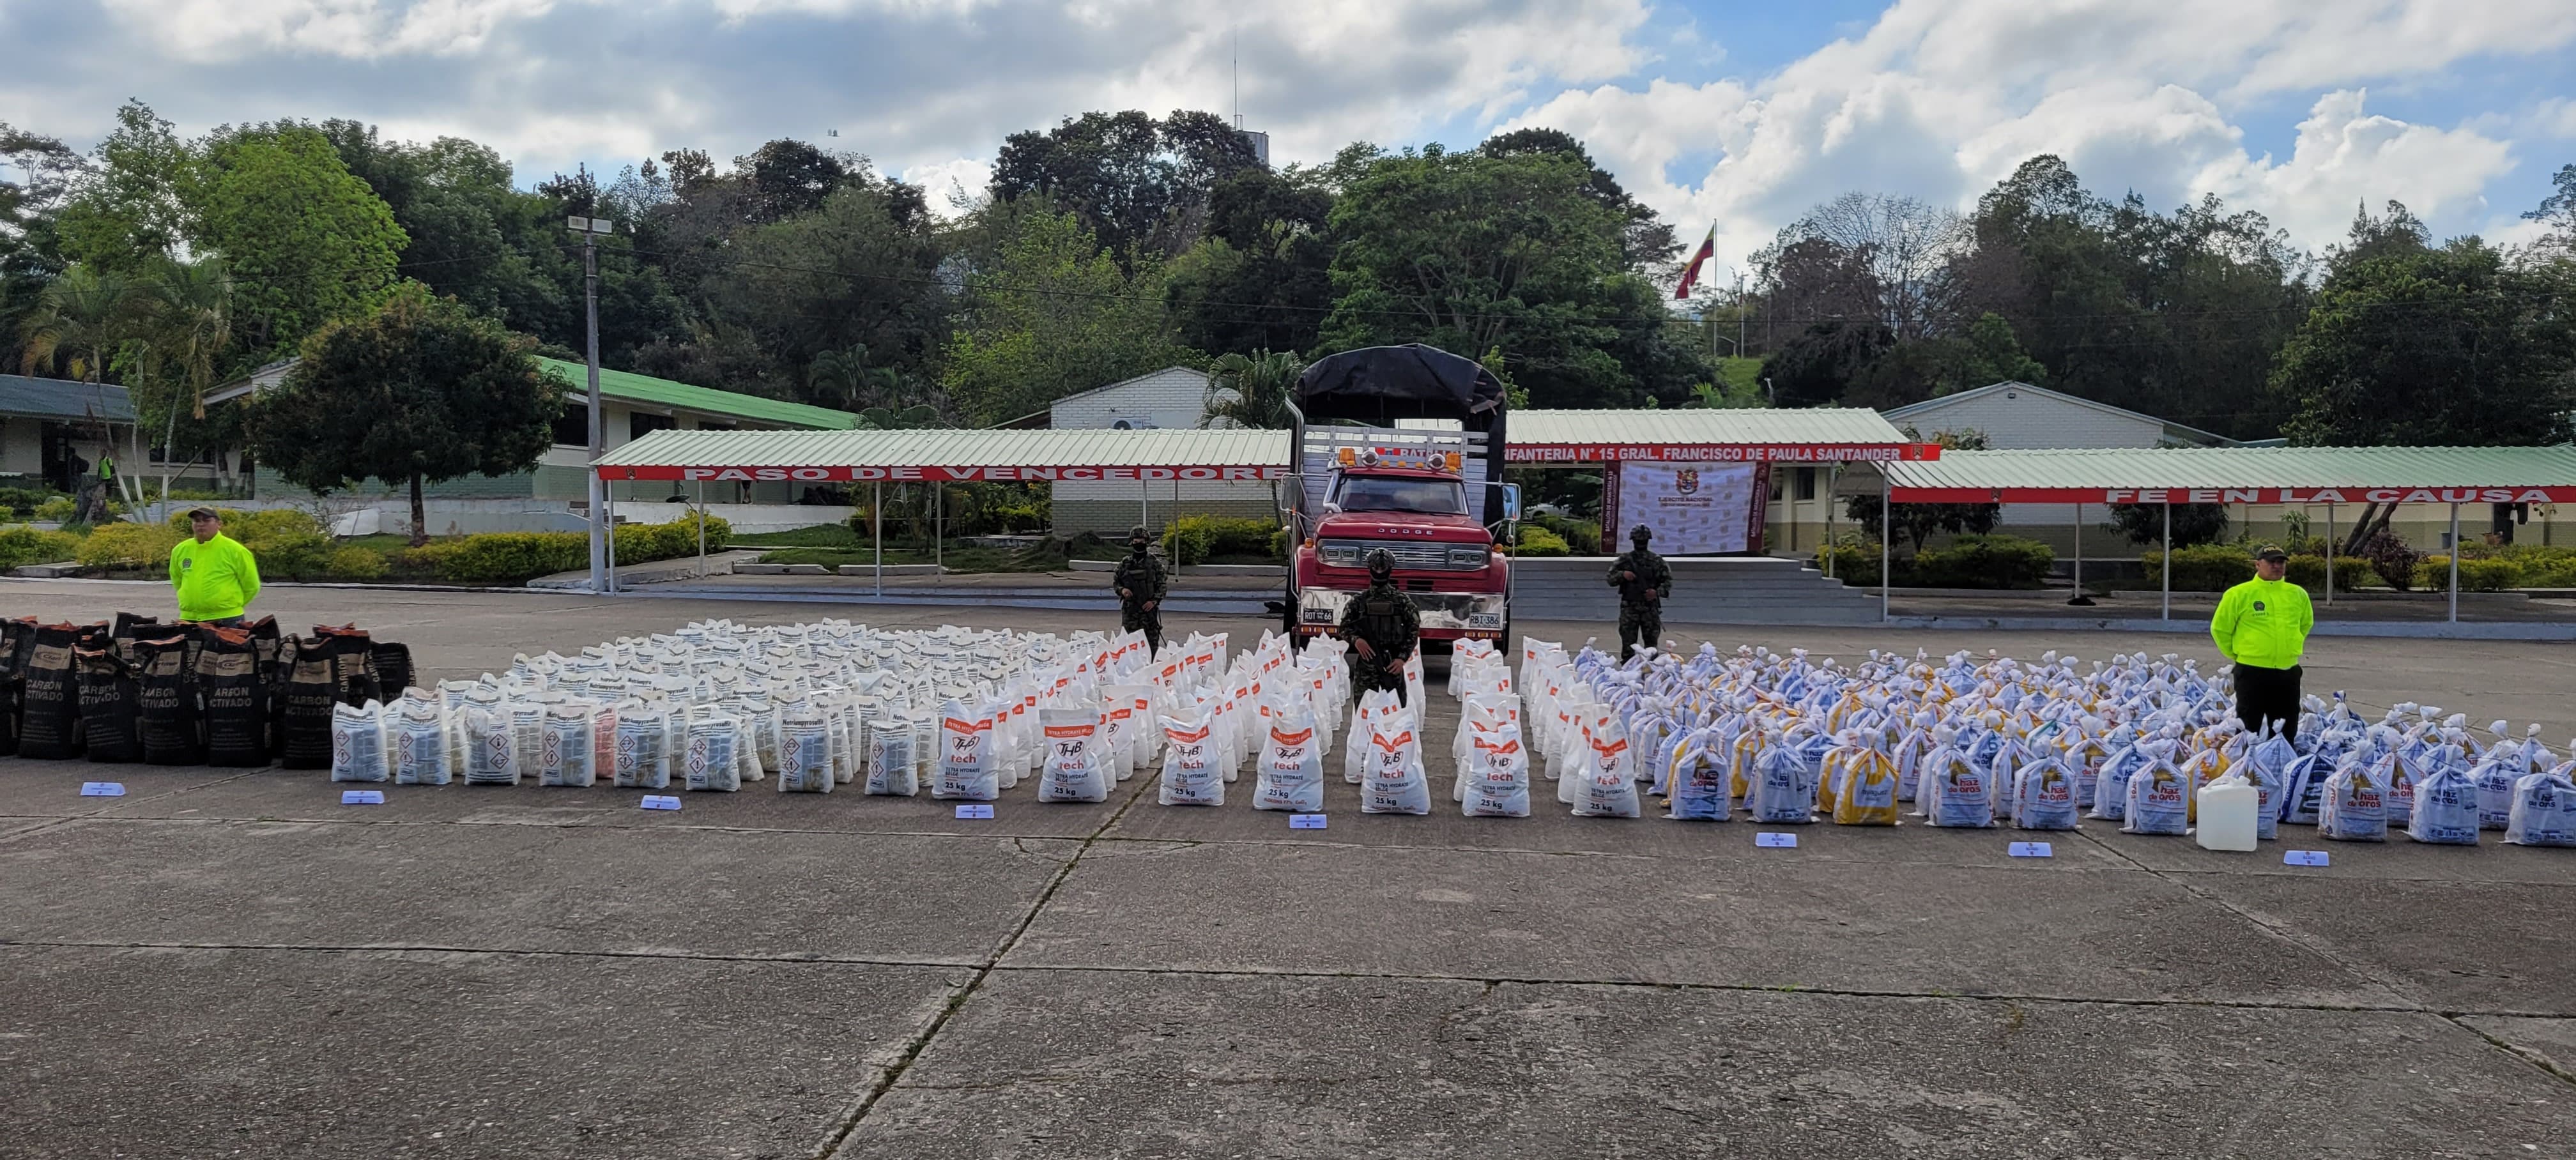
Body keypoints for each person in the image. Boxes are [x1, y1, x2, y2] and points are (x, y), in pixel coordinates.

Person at [2211, 545, 2314, 742]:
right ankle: (2247, 761)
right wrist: (2239, 653)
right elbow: (2220, 629)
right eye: (2271, 562)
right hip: (2252, 671)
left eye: (2281, 562)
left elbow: (2305, 624)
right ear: (2258, 564)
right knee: (2249, 727)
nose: (2277, 566)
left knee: (2286, 729)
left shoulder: (2298, 594)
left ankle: (2281, 760)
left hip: (2287, 671)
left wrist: (2289, 647)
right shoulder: (2239, 594)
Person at [1338, 549, 1420, 706]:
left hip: (1392, 665)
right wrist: (1357, 640)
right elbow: (1344, 627)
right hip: (1367, 665)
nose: (1380, 572)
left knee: (1395, 713)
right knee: (1365, 712)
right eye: (1376, 568)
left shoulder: (1402, 601)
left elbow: (1413, 630)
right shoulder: (1359, 601)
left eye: (1383, 568)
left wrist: (1402, 659)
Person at [169, 507, 261, 628]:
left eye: (207, 520)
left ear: (219, 524)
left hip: (227, 619)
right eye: (197, 521)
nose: (201, 524)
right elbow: (177, 580)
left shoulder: (236, 551)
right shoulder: (180, 550)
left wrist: (229, 605)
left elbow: (252, 586)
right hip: (189, 618)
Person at [1606, 524, 1673, 662]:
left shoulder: (1656, 561)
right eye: (1638, 540)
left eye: (1643, 540)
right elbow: (1610, 579)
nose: (1641, 543)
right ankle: (1628, 670)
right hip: (1630, 607)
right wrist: (1623, 575)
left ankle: (1651, 671)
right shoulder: (1625, 560)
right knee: (1628, 646)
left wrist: (1656, 592)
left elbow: (1668, 582)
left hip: (1650, 608)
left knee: (1651, 648)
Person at [1112, 525, 1167, 652]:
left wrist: (1153, 602)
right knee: (1129, 645)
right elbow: (1117, 581)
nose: (1138, 544)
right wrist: (1122, 590)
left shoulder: (1154, 563)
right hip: (1130, 611)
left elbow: (1162, 585)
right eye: (1136, 542)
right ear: (1132, 542)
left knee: (1151, 646)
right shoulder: (1126, 563)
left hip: (1148, 611)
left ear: (1146, 542)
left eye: (1142, 542)